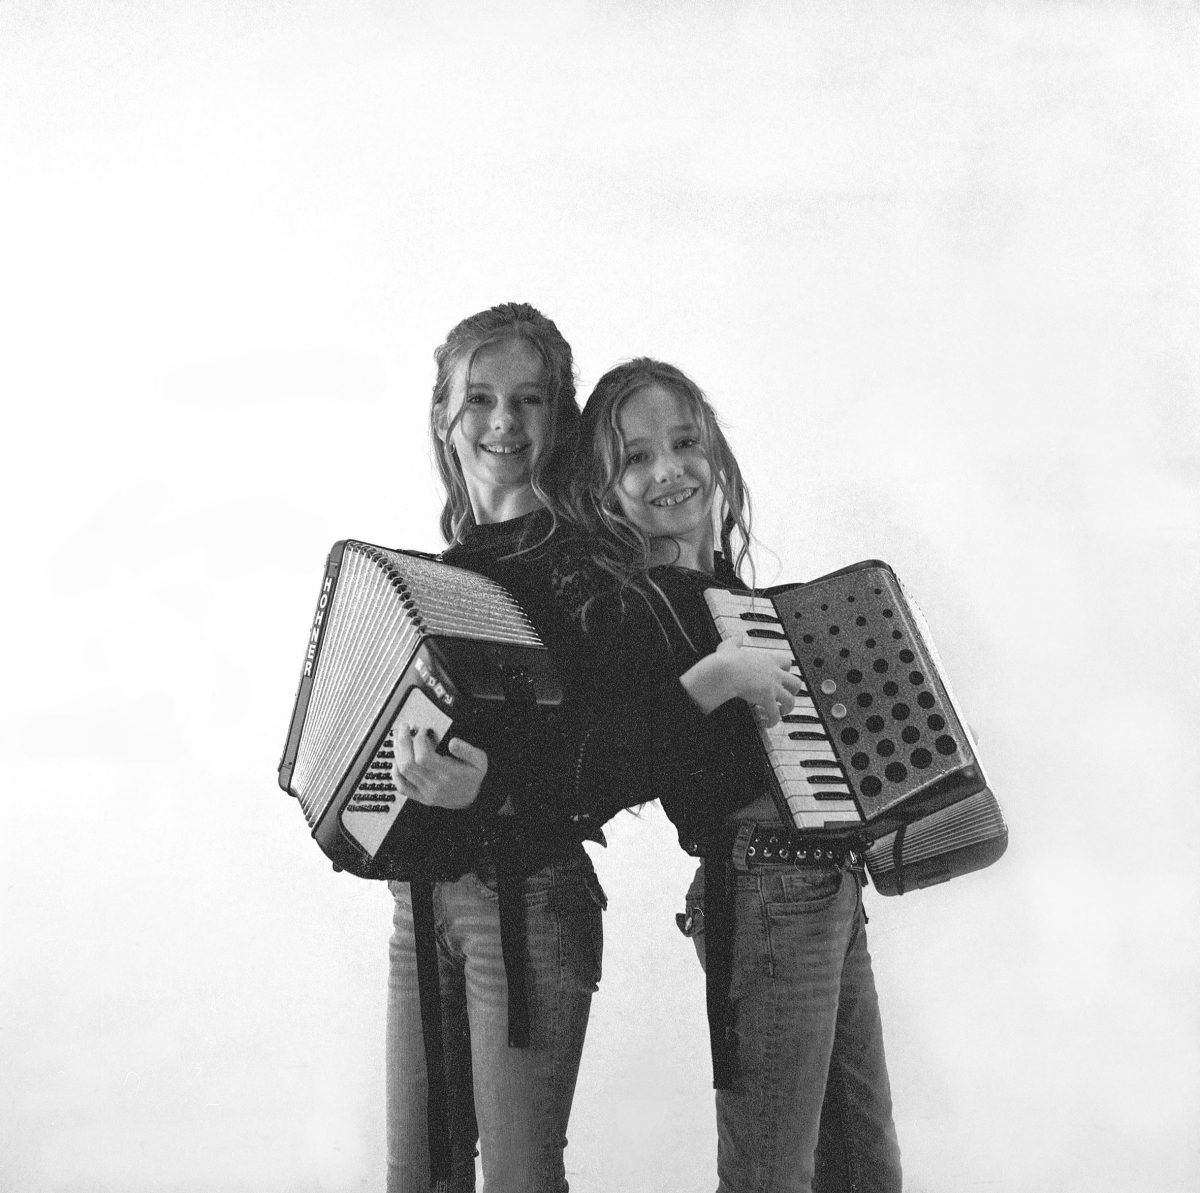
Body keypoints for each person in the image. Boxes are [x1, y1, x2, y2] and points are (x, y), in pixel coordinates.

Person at [555, 358, 904, 1193]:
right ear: (603, 491)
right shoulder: (631, 605)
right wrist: (720, 678)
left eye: (684, 443)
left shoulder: (731, 598)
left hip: (825, 887)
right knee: (770, 1174)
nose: (668, 469)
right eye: (635, 458)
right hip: (765, 892)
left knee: (863, 1168)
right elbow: (616, 765)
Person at [383, 303, 607, 1193]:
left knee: (519, 1179)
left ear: (561, 420)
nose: (504, 422)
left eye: (530, 399)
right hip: (418, 898)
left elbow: (617, 757)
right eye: (479, 397)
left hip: (531, 902)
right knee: (417, 1177)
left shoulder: (591, 564)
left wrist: (497, 784)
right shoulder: (439, 572)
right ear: (444, 415)